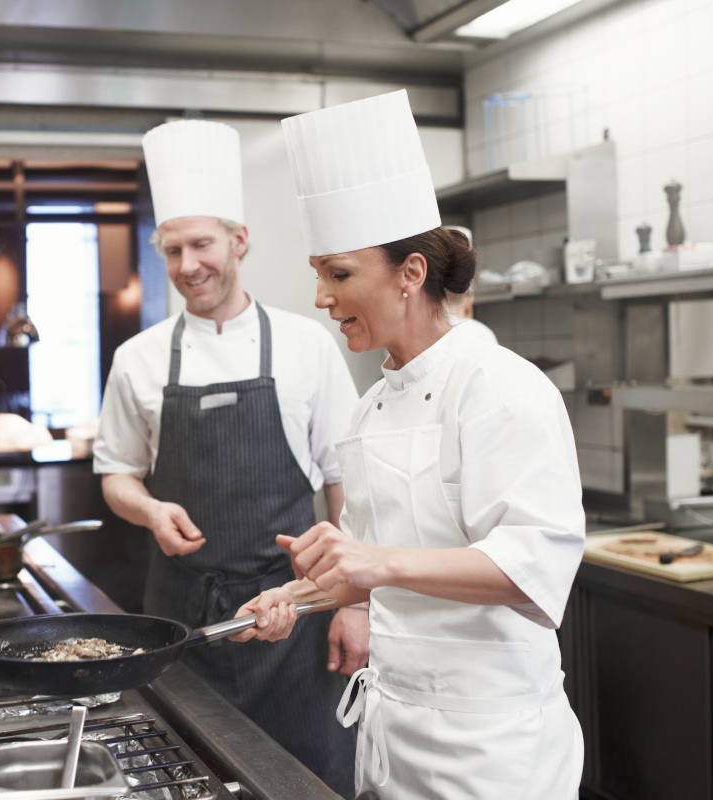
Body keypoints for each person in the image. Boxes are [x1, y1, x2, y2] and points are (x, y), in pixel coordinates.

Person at [231, 90, 585, 799]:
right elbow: (372, 570)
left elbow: (535, 567)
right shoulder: (371, 408)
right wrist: (294, 599)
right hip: (393, 733)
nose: (322, 298)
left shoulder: (499, 386)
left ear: (411, 274)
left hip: (493, 746)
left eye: (338, 274)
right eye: (318, 275)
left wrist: (374, 559)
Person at [93, 118, 360, 798]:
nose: (188, 265)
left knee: (309, 779)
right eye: (173, 248)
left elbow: (345, 483)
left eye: (203, 243)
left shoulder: (307, 346)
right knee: (185, 776)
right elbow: (115, 473)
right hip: (183, 621)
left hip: (297, 617)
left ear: (239, 240)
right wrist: (149, 508)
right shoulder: (139, 359)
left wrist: (355, 604)